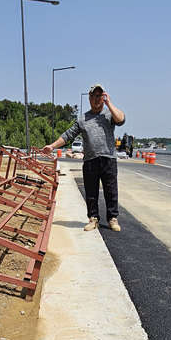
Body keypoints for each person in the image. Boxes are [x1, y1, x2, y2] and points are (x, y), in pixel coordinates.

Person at [42, 84, 125, 232]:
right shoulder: (82, 119)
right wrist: (52, 146)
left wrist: (109, 103)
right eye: (93, 97)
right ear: (89, 99)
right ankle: (93, 219)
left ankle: (112, 219)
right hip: (90, 162)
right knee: (91, 193)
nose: (96, 99)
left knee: (111, 192)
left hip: (108, 160)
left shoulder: (109, 114)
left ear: (103, 97)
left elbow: (121, 120)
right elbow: (68, 135)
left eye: (99, 96)